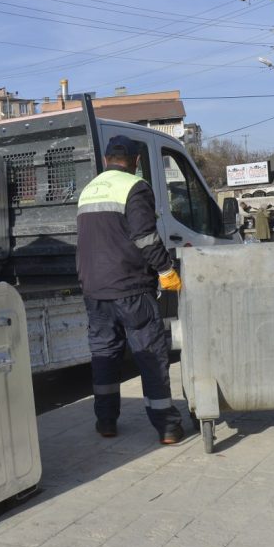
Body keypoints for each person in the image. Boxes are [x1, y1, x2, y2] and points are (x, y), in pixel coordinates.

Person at [76, 135, 185, 445]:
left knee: (104, 354)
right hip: (131, 288)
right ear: (136, 161)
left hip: (95, 289)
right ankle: (167, 427)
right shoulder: (134, 187)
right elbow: (144, 237)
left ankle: (106, 421)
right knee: (150, 353)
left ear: (106, 159)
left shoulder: (88, 190)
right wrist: (166, 270)